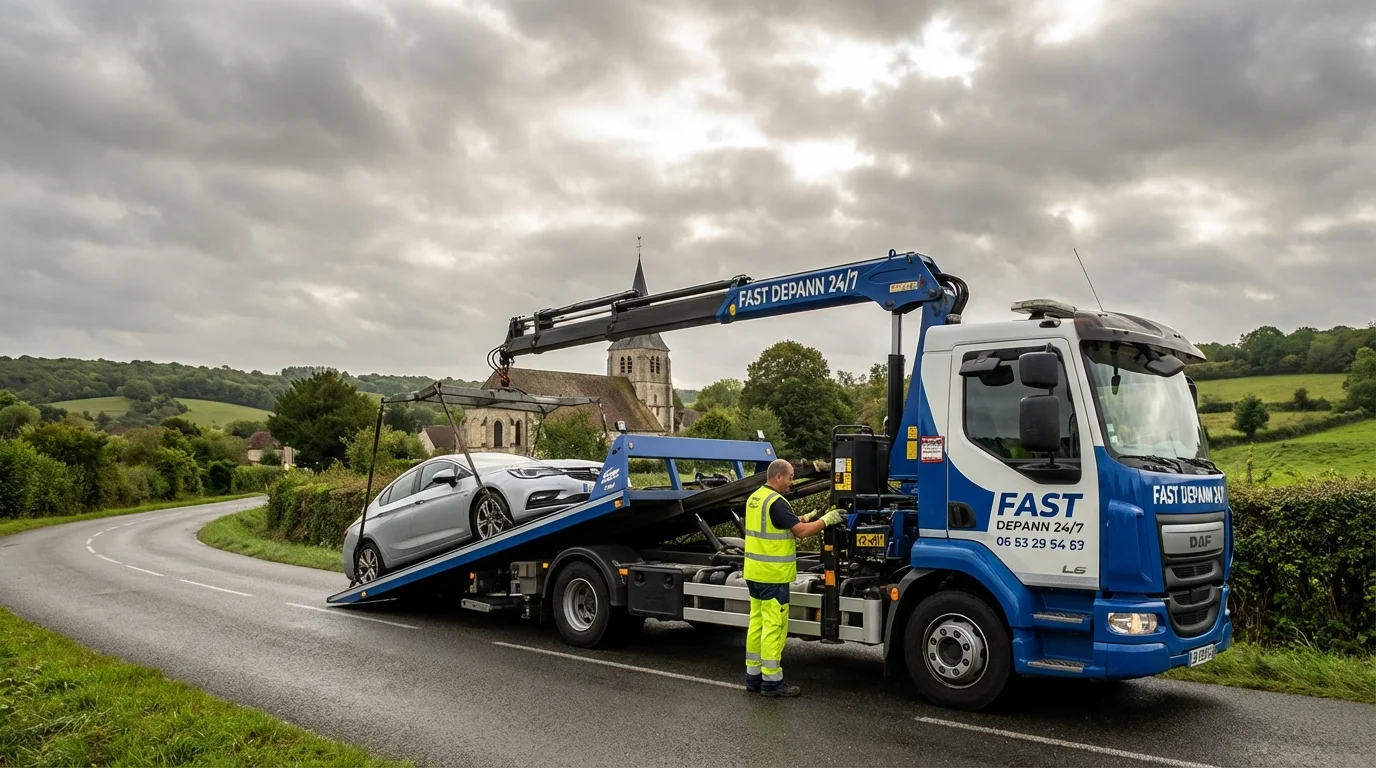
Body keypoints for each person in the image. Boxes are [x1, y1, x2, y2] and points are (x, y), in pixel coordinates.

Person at [743, 458, 845, 698]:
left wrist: (804, 517)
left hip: (754, 573)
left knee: (756, 624)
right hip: (773, 576)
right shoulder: (777, 502)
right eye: (790, 477)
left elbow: (778, 525)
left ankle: (753, 678)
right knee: (774, 627)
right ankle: (772, 683)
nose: (792, 482)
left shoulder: (756, 497)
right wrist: (826, 521)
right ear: (778, 477)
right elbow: (799, 533)